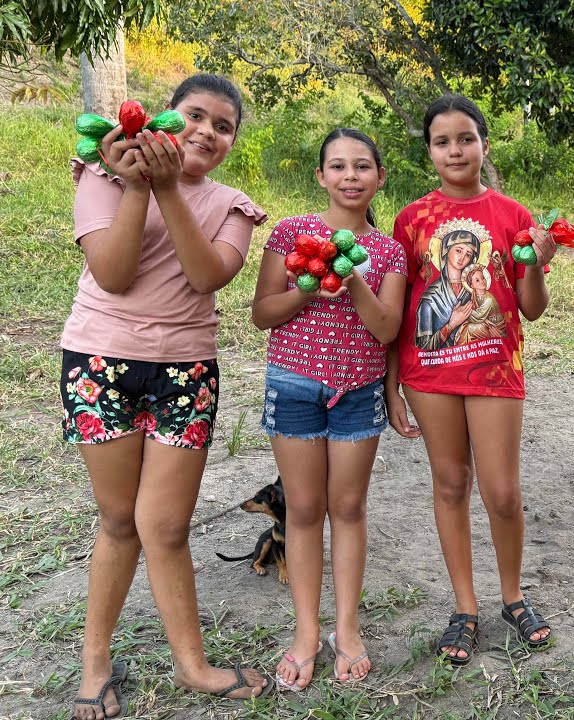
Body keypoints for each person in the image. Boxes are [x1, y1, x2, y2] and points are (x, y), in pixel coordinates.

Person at [60, 73, 270, 718]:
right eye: (195, 116)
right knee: (120, 520)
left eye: (223, 125)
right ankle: (96, 664)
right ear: (165, 119)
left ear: (232, 142)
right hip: (100, 360)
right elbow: (114, 274)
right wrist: (136, 186)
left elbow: (210, 275)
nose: (207, 131)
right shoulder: (101, 174)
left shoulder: (232, 204)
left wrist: (170, 189)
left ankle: (193, 666)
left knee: (168, 525)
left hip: (185, 371)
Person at [385, 94, 561, 666]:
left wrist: (535, 259)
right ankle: (465, 606)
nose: (455, 150)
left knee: (502, 492)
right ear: (430, 150)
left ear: (485, 144)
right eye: (442, 141)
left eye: (466, 138)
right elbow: (403, 308)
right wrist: (393, 384)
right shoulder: (411, 220)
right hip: (429, 374)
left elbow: (530, 308)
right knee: (450, 484)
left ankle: (513, 595)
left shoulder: (513, 216)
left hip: (495, 370)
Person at [250, 128, 407, 689]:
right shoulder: (291, 233)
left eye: (362, 166)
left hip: (358, 393)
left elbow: (387, 327)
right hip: (293, 387)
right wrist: (310, 289)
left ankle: (348, 630)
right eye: (337, 166)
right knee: (305, 509)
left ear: (379, 177)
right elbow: (263, 313)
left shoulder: (388, 250)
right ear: (321, 176)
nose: (350, 176)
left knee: (348, 508)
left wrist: (352, 275)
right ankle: (306, 633)